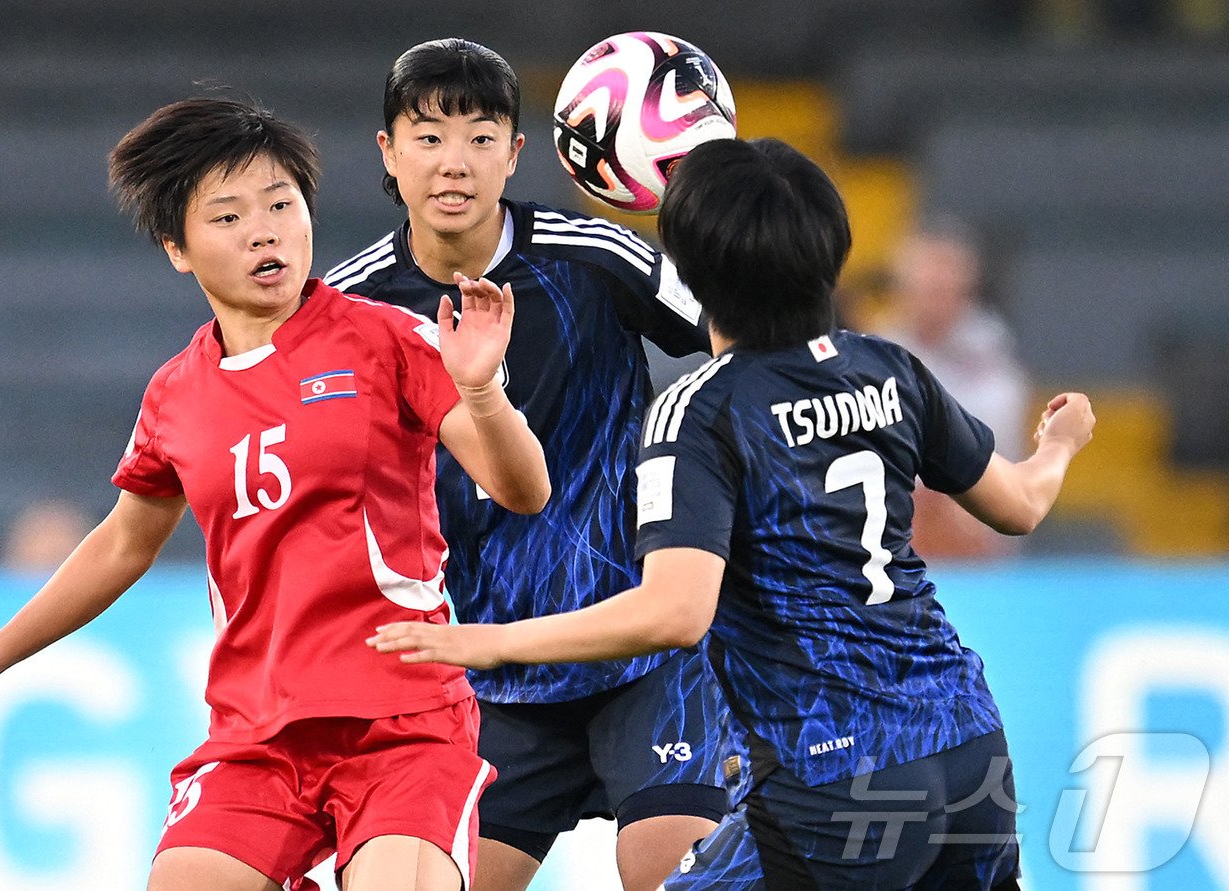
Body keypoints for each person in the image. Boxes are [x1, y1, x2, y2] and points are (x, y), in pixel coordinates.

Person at [369, 137, 1096, 889]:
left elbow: (675, 612)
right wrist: (1061, 445)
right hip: (967, 745)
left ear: (693, 274)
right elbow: (1019, 505)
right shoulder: (892, 367)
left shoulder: (700, 410)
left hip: (832, 775)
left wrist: (494, 641)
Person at [0, 97, 551, 891]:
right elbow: (122, 541)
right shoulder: (176, 394)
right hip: (257, 735)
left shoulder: (386, 339)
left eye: (282, 204)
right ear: (178, 247)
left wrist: (482, 390)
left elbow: (523, 490)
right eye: (229, 216)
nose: (265, 230)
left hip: (402, 723)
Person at [325, 38, 727, 891]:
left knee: (677, 872)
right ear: (388, 154)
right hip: (485, 676)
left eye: (480, 136)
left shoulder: (599, 257)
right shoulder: (348, 311)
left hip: (641, 654)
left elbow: (743, 335)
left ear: (515, 152)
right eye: (428, 138)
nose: (454, 163)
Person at [875, 216, 1032, 559]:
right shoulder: (872, 354)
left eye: (946, 289)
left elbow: (998, 462)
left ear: (966, 292)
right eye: (928, 288)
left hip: (970, 534)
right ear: (904, 289)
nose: (936, 299)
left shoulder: (994, 366)